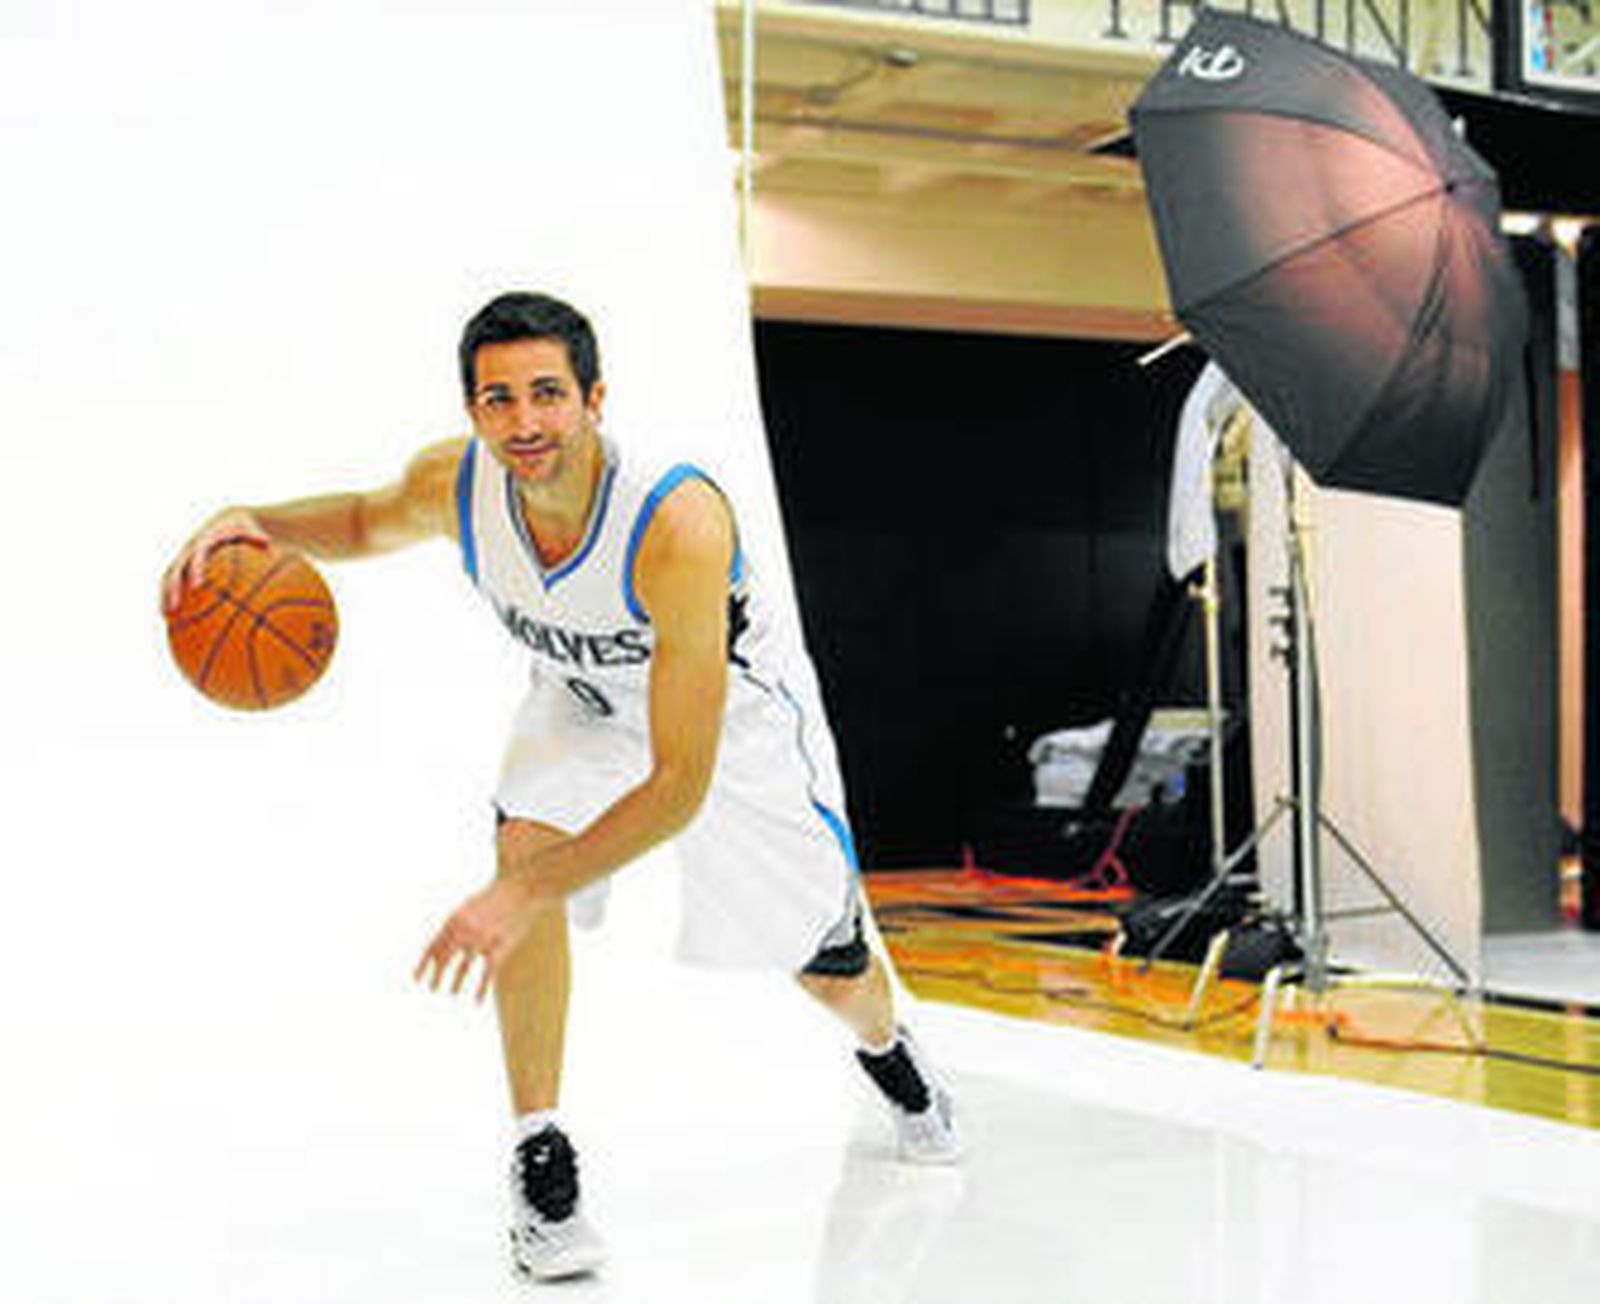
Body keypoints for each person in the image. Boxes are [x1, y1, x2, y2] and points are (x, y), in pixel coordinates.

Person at [159, 291, 959, 1283]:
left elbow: (679, 780)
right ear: (473, 410)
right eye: (498, 399)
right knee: (525, 839)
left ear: (594, 398)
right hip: (580, 704)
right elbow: (368, 519)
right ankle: (541, 1153)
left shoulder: (675, 522)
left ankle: (890, 1052)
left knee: (826, 968)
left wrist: (519, 896)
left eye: (546, 393)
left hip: (726, 732)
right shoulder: (455, 484)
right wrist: (255, 521)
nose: (524, 421)